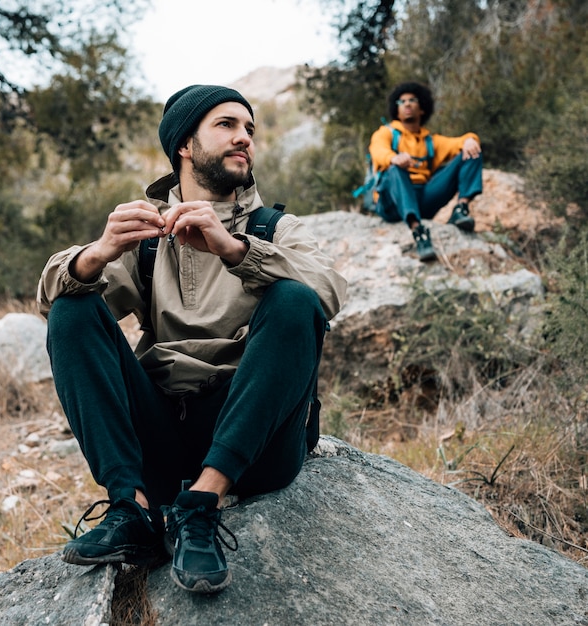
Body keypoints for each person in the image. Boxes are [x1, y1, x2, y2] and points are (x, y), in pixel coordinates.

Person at [37, 84, 347, 594]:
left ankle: (201, 505)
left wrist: (235, 249)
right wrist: (96, 251)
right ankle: (131, 511)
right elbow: (54, 302)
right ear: (185, 144)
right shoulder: (146, 236)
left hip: (255, 441)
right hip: (162, 432)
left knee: (296, 301)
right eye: (226, 125)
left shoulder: (275, 227)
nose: (244, 138)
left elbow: (330, 290)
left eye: (249, 129)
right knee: (73, 309)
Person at [368, 81, 483, 261]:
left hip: (423, 200)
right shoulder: (386, 133)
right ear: (396, 110)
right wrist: (394, 158)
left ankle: (461, 208)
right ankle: (418, 232)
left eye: (412, 100)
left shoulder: (430, 141)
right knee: (395, 170)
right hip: (392, 202)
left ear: (422, 109)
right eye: (401, 102)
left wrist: (470, 139)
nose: (406, 104)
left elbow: (459, 142)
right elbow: (378, 150)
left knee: (471, 152)